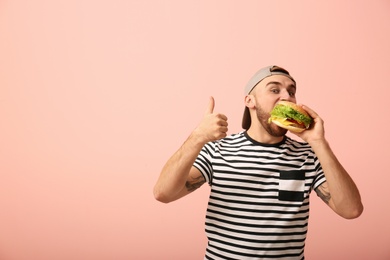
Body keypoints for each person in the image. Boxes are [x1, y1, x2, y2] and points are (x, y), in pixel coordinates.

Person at [153, 65, 363, 259]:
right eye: (274, 90)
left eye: (291, 91)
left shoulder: (309, 156)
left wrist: (319, 143)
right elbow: (164, 193)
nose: (287, 97)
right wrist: (197, 137)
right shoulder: (218, 150)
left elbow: (351, 210)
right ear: (249, 101)